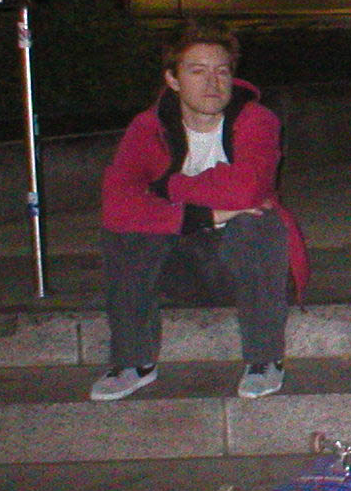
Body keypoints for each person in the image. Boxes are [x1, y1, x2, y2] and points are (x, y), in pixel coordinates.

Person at [92, 21, 309, 402]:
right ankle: (133, 362)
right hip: (179, 265)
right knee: (126, 230)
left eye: (222, 71)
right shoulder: (147, 127)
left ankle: (264, 360)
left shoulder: (257, 120)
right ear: (172, 79)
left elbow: (247, 189)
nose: (213, 83)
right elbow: (117, 205)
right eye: (197, 71)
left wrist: (166, 187)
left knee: (256, 222)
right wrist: (206, 215)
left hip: (252, 267)